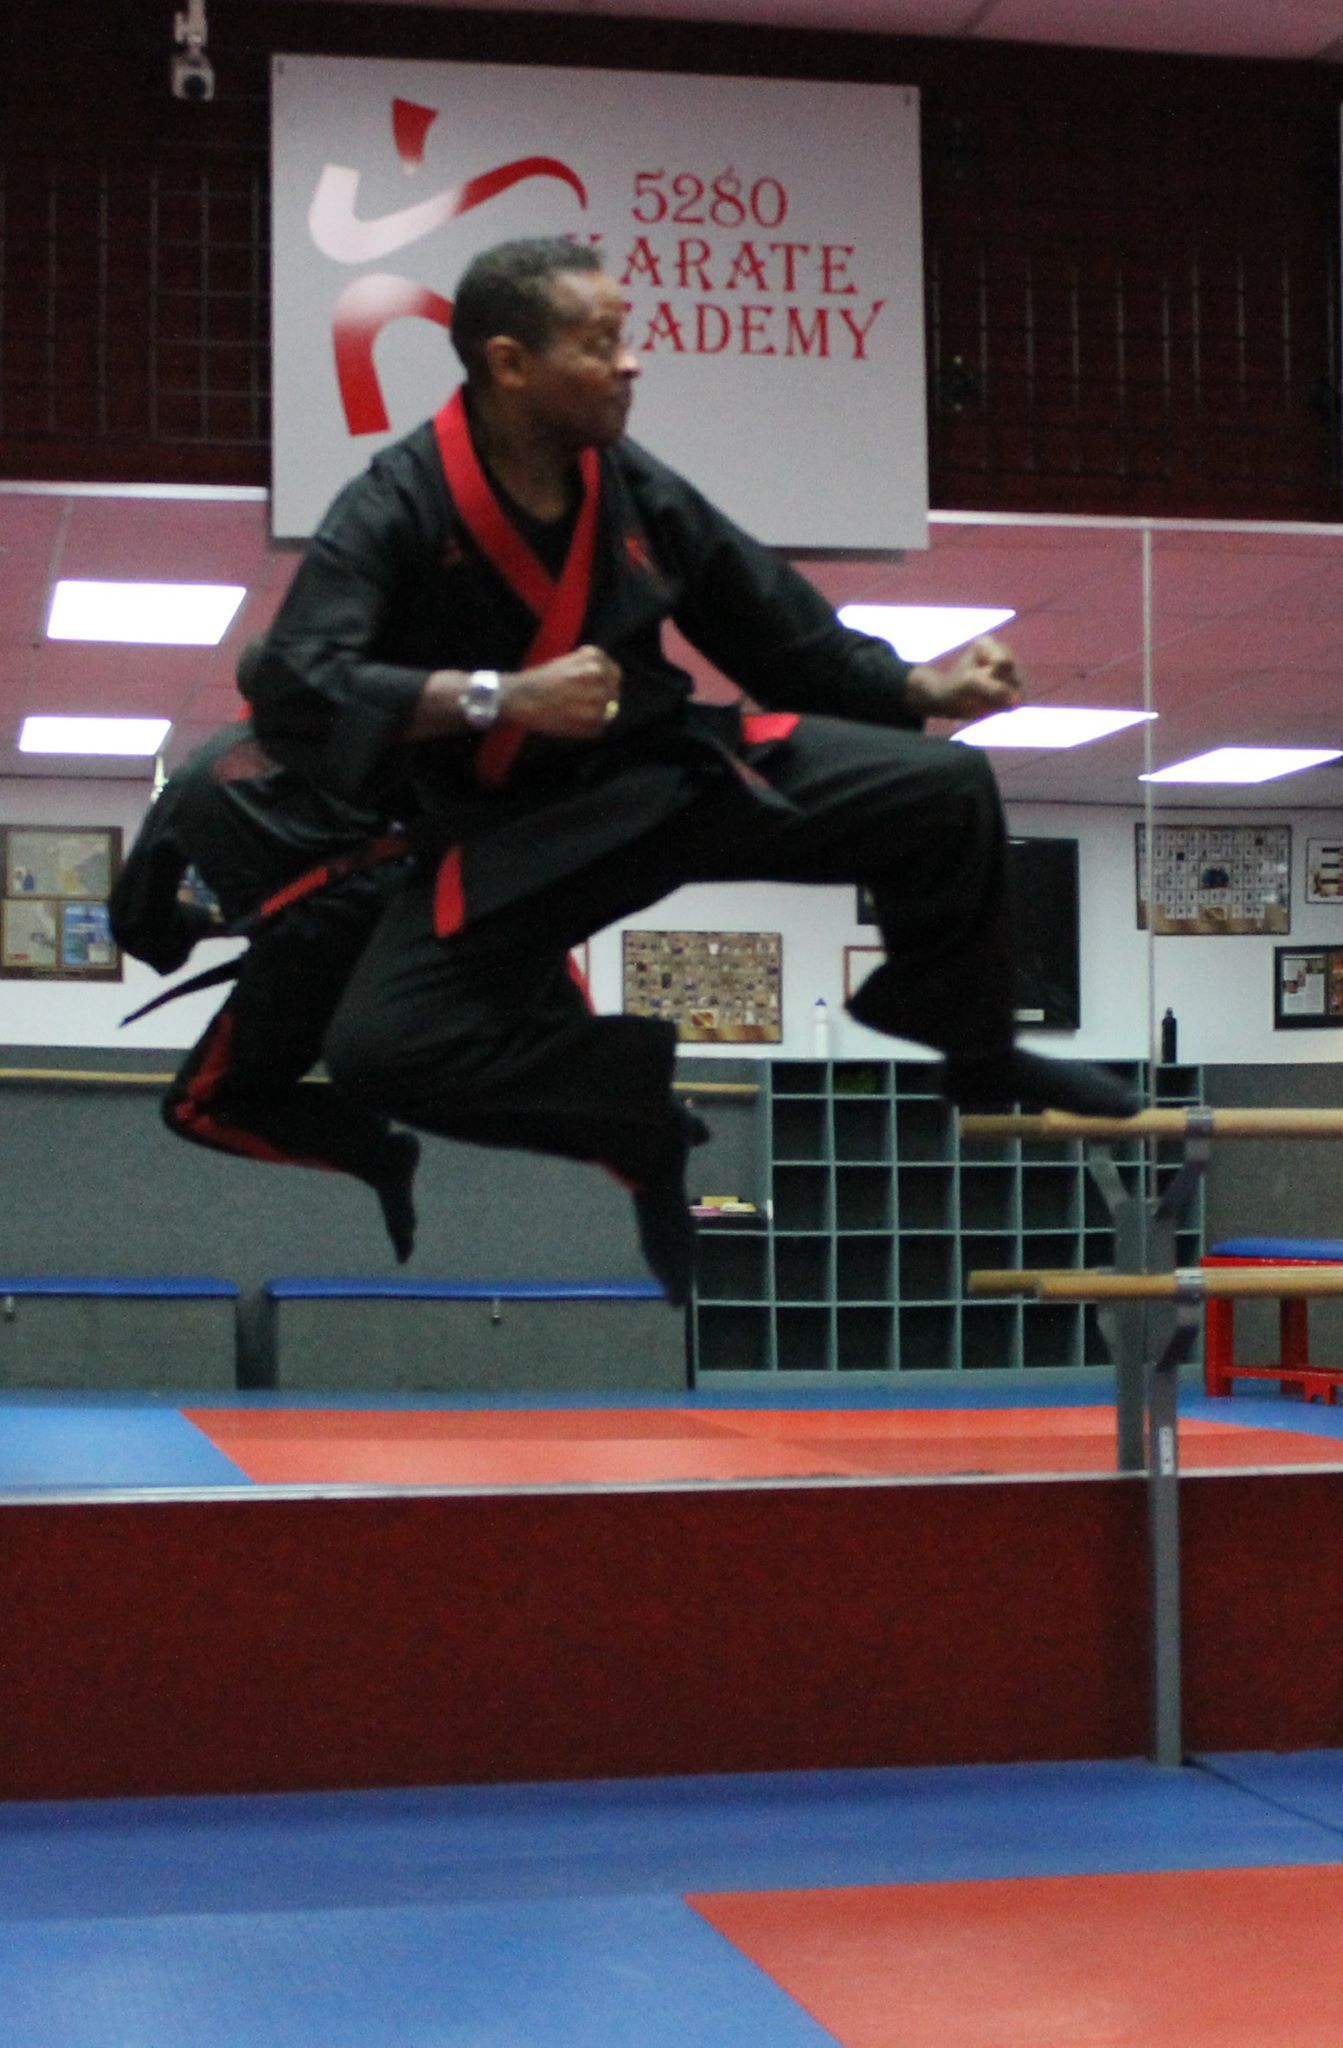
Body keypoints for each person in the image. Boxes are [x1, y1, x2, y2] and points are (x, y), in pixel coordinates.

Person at [246, 237, 1137, 1302]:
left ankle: (967, 1044)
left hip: (667, 780)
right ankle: (636, 1115)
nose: (630, 365)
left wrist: (918, 691)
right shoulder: (396, 502)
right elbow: (296, 680)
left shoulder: (631, 487)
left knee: (942, 788)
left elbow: (774, 626)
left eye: (626, 340)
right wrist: (498, 694)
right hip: (508, 837)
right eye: (600, 343)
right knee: (378, 1050)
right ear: (507, 363)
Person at [109, 651, 421, 1261]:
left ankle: (372, 1149)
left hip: (309, 953)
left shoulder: (196, 777)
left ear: (245, 695)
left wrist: (190, 929)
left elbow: (136, 923)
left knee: (196, 1107)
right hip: (412, 930)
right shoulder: (375, 739)